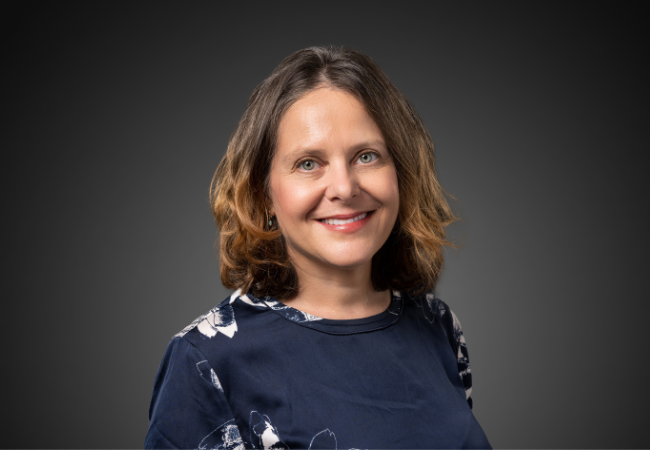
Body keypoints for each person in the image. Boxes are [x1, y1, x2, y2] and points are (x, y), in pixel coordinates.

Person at [145, 46, 491, 449]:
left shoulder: (438, 325)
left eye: (366, 156)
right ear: (264, 193)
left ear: (401, 172)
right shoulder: (206, 360)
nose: (344, 188)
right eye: (309, 163)